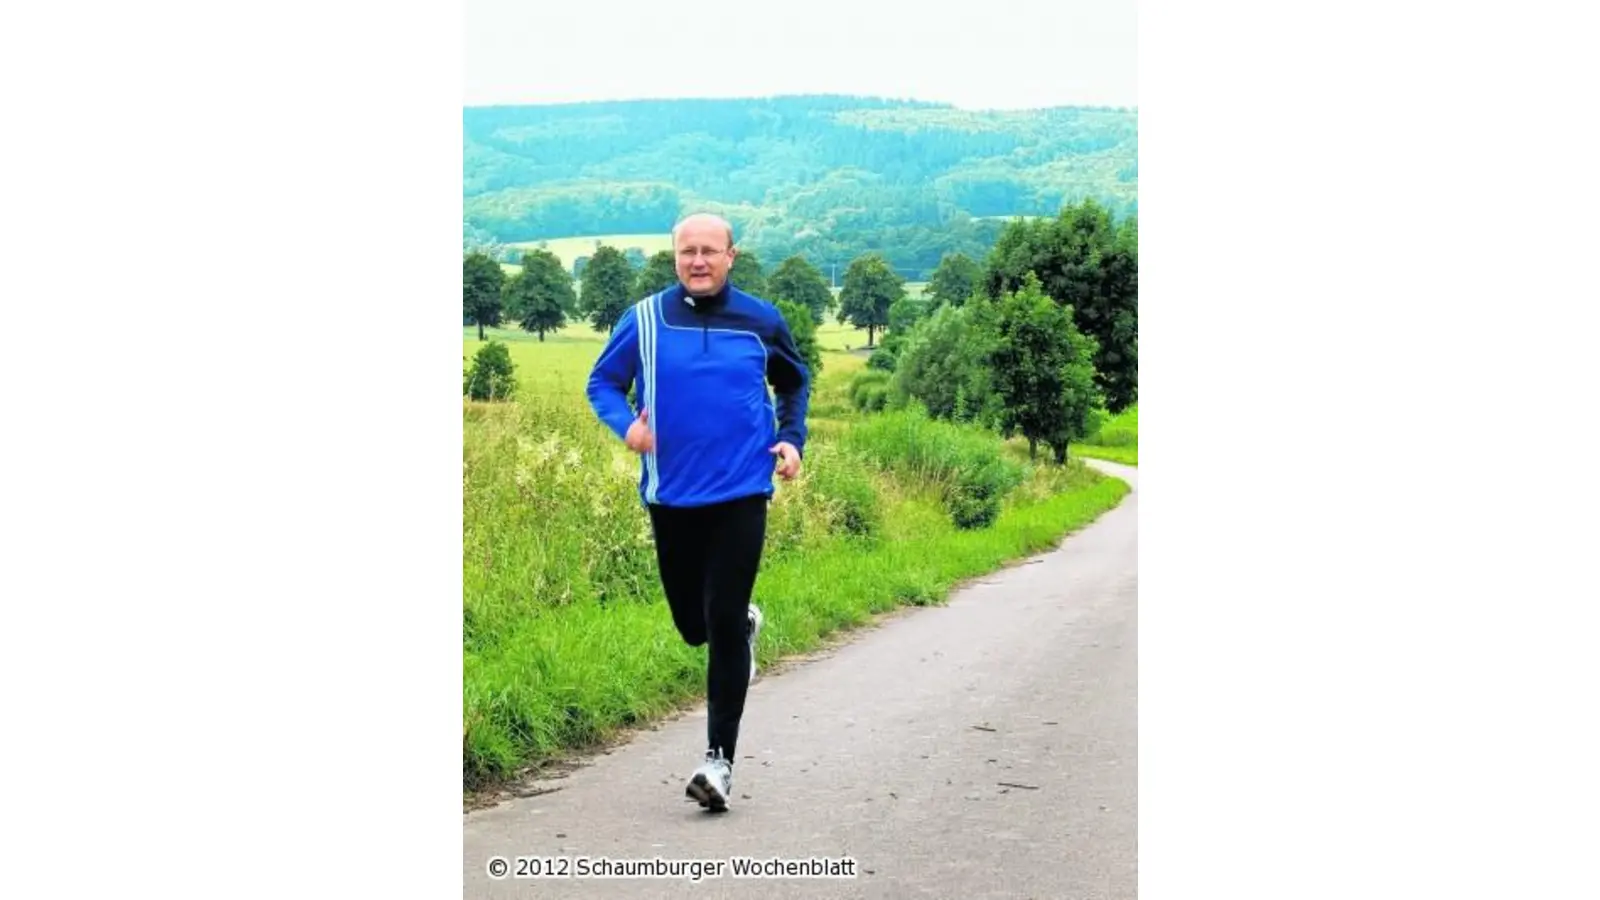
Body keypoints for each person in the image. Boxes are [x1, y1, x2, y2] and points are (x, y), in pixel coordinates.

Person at [585, 213, 810, 812]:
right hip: (671, 495)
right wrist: (624, 426)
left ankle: (719, 764)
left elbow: (794, 383)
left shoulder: (761, 321)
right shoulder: (645, 320)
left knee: (722, 611)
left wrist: (792, 439)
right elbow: (602, 383)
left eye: (711, 250)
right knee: (694, 626)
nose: (699, 260)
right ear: (674, 257)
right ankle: (740, 625)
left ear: (732, 256)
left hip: (742, 490)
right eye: (688, 251)